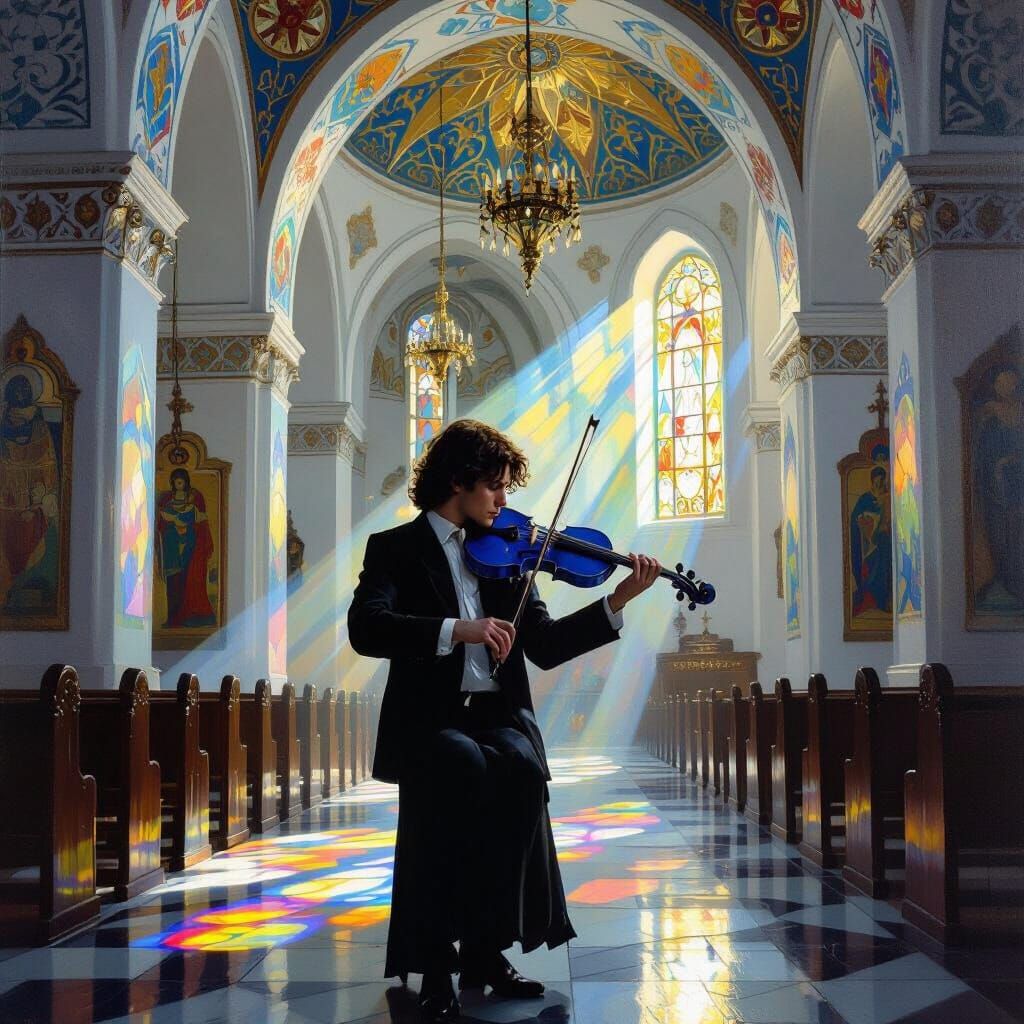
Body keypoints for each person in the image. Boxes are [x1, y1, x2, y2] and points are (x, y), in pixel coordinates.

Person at [348, 419, 660, 1023]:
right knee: (457, 766)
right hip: (432, 720)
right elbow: (367, 629)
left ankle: (487, 952)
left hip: (497, 713)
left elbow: (542, 644)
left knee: (521, 767)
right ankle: (437, 961)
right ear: (459, 482)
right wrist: (456, 630)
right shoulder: (395, 549)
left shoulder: (508, 559)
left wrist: (616, 602)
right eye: (495, 487)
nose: (504, 502)